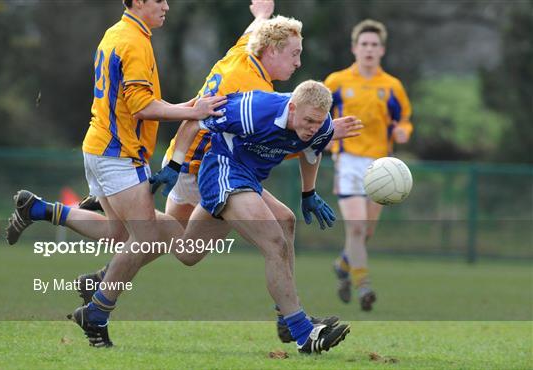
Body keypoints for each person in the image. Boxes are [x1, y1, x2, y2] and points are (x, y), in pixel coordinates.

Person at [75, 0, 361, 344]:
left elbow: (253, 37)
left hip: (218, 163)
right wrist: (173, 167)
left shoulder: (247, 55)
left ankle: (288, 315)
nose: (298, 62)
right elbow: (211, 125)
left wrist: (261, 17)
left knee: (253, 230)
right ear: (271, 52)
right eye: (294, 54)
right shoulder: (250, 88)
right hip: (199, 165)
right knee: (166, 240)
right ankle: (295, 322)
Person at [5, 0, 226, 347]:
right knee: (148, 239)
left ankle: (39, 209)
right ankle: (96, 312)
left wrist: (189, 111)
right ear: (138, 1)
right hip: (118, 155)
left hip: (100, 147)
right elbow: (142, 107)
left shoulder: (118, 33)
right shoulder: (134, 42)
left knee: (118, 234)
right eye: (159, 0)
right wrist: (191, 110)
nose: (167, 6)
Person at [178, 80, 353, 354]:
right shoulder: (252, 108)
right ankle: (302, 332)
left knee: (188, 252)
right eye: (307, 120)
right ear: (292, 108)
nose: (312, 128)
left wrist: (309, 193)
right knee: (274, 241)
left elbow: (312, 151)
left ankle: (285, 317)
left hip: (249, 180)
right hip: (222, 170)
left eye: (318, 123)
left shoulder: (322, 124)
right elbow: (194, 122)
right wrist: (175, 164)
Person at [324, 19, 413, 311]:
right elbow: (318, 114)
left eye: (374, 44)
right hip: (347, 162)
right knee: (357, 228)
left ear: (382, 50)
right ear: (354, 48)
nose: (369, 49)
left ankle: (342, 264)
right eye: (364, 44)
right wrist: (322, 136)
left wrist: (403, 132)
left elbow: (404, 120)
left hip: (381, 166)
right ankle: (364, 287)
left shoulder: (391, 86)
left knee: (367, 231)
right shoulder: (337, 81)